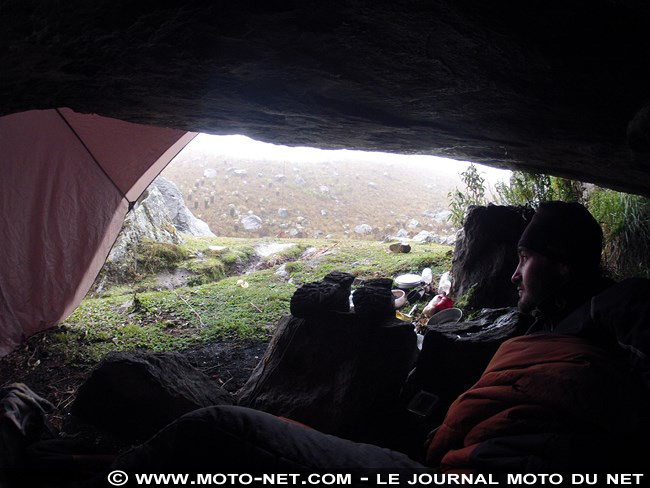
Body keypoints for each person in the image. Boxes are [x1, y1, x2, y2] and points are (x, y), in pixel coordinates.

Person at [427, 201, 650, 473]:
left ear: (562, 264)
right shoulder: (543, 323)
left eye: (524, 258)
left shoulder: (625, 304)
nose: (514, 276)